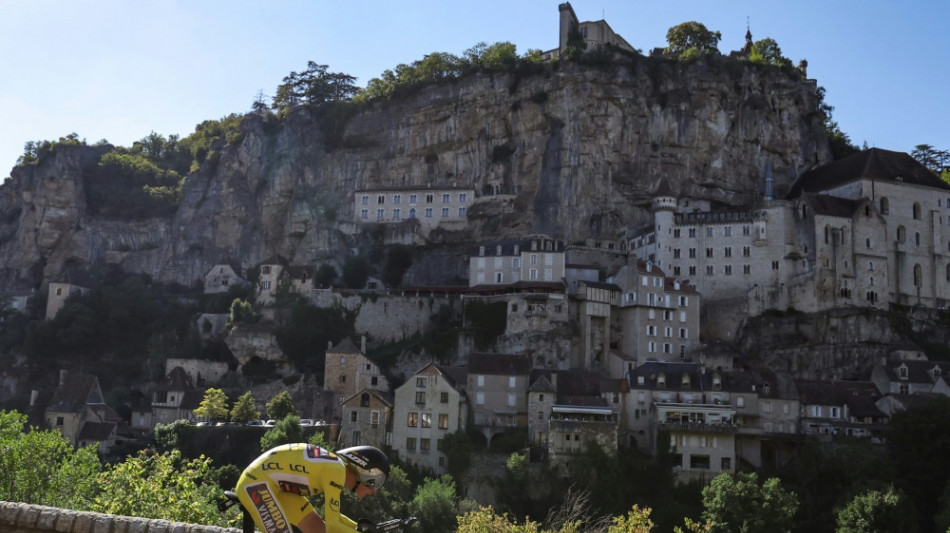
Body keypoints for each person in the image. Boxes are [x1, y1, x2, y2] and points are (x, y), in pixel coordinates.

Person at [235, 443, 389, 533]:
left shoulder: (336, 469)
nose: (374, 491)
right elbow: (333, 525)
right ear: (364, 473)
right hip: (256, 483)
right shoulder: (335, 471)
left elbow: (334, 519)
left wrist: (359, 528)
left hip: (275, 486)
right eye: (375, 483)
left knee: (317, 530)